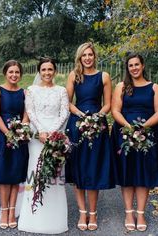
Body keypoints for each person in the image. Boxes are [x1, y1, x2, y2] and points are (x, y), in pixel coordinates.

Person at [111, 53, 158, 232]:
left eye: (137, 64)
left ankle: (141, 212)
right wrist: (129, 127)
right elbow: (115, 110)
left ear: (143, 66)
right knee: (127, 173)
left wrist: (143, 127)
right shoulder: (121, 86)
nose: (134, 68)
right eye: (131, 65)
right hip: (124, 133)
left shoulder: (154, 87)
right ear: (127, 68)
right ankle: (129, 212)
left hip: (149, 135)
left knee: (144, 174)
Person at [65, 42, 115, 231]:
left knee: (93, 168)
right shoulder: (73, 75)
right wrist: (80, 115)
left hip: (97, 125)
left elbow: (107, 104)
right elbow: (68, 102)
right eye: (84, 55)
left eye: (90, 55)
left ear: (94, 57)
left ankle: (92, 213)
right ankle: (82, 212)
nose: (87, 58)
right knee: (79, 167)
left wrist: (96, 117)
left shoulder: (104, 76)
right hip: (77, 124)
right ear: (80, 57)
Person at [18, 57, 69, 234]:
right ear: (39, 72)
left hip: (56, 137)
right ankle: (33, 217)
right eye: (44, 69)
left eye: (50, 69)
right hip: (36, 137)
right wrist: (41, 131)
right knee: (35, 172)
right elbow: (30, 111)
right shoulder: (31, 90)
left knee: (55, 174)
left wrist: (53, 133)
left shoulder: (61, 90)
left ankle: (54, 219)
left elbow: (65, 113)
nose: (47, 73)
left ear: (55, 71)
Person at [0, 60, 29, 229]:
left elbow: (26, 115)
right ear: (5, 73)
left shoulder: (24, 92)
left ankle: (12, 211)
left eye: (17, 72)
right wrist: (8, 133)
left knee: (15, 175)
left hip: (19, 137)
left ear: (20, 74)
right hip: (1, 135)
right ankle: (4, 211)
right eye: (11, 72)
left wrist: (20, 130)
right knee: (3, 175)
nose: (14, 75)